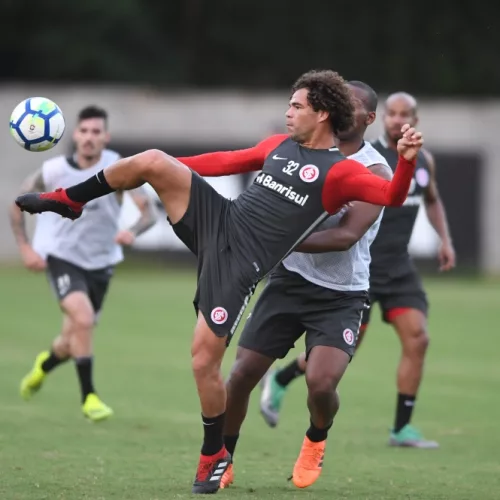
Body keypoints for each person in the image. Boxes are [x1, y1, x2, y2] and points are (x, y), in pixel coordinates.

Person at [15, 70, 422, 494]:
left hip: (243, 265)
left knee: (203, 362)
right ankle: (68, 201)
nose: (287, 113)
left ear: (321, 114)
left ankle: (214, 455)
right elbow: (226, 161)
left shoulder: (341, 173)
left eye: (296, 106)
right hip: (220, 221)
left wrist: (406, 160)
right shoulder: (279, 146)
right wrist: (164, 171)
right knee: (153, 158)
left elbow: (392, 196)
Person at [219, 81, 392, 490]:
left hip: (341, 294)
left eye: (353, 106)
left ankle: (316, 438)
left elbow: (345, 236)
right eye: (336, 102)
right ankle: (221, 457)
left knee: (320, 384)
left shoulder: (374, 170)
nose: (340, 109)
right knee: (241, 374)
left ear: (368, 119)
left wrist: (272, 239)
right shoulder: (299, 152)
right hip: (289, 280)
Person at [260, 91, 455, 450]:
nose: (398, 119)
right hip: (360, 271)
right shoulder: (367, 158)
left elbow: (432, 198)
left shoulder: (422, 160)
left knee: (419, 338)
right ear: (381, 118)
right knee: (337, 355)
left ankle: (401, 429)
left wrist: (445, 239)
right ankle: (283, 377)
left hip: (399, 267)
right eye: (392, 113)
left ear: (416, 117)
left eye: (405, 113)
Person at [9, 105, 157, 422]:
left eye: (96, 132)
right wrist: (25, 248)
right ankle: (89, 396)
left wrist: (131, 232)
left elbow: (149, 213)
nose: (89, 138)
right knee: (83, 317)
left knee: (71, 339)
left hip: (101, 264)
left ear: (106, 137)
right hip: (62, 258)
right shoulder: (52, 171)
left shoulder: (119, 168)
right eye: (84, 131)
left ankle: (44, 365)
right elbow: (17, 203)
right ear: (74, 134)